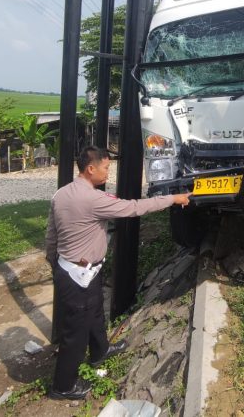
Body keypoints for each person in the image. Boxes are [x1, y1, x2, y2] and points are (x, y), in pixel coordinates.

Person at [45, 146, 191, 401]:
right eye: (105, 168)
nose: (107, 173)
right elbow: (134, 207)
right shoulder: (92, 199)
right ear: (90, 169)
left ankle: (101, 351)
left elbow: (51, 235)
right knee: (75, 334)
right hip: (77, 275)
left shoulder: (62, 194)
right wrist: (173, 199)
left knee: (94, 315)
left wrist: (53, 263)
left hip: (76, 271)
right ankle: (62, 386)